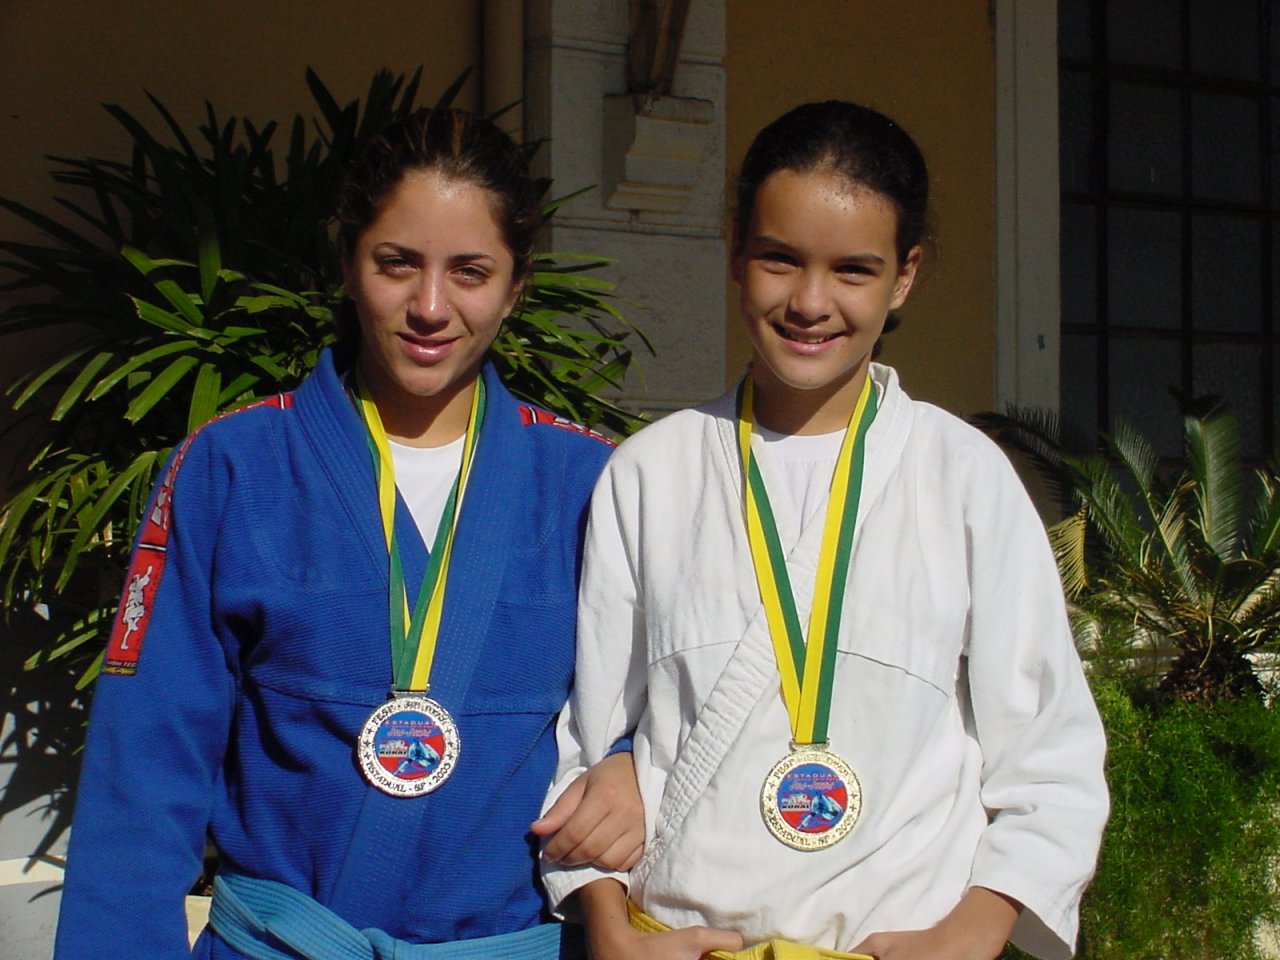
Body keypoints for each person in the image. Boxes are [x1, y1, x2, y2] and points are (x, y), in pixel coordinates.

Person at [53, 106, 642, 960]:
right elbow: (145, 769)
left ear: (516, 288)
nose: (430, 306)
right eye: (397, 264)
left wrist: (632, 761)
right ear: (346, 263)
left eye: (470, 272)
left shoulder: (594, 482)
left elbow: (676, 690)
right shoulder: (234, 466)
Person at [542, 100, 1109, 960]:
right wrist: (613, 931)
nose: (811, 302)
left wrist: (975, 928)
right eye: (780, 259)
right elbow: (589, 738)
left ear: (905, 275)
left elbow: (1049, 750)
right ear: (736, 250)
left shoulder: (963, 476)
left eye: (853, 270)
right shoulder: (651, 473)